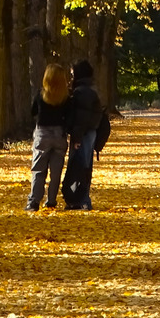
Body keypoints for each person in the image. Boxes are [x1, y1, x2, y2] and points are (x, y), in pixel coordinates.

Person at [26, 64, 70, 211]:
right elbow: (69, 116)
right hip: (59, 135)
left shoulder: (41, 95)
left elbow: (33, 111)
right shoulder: (65, 97)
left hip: (42, 134)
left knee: (38, 169)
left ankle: (34, 201)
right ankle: (51, 200)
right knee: (56, 172)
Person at [62, 59, 102, 210]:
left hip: (83, 133)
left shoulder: (82, 92)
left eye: (73, 74)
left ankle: (80, 199)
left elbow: (81, 118)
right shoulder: (90, 89)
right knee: (84, 166)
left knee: (79, 166)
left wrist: (77, 137)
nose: (71, 76)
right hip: (88, 132)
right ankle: (79, 198)